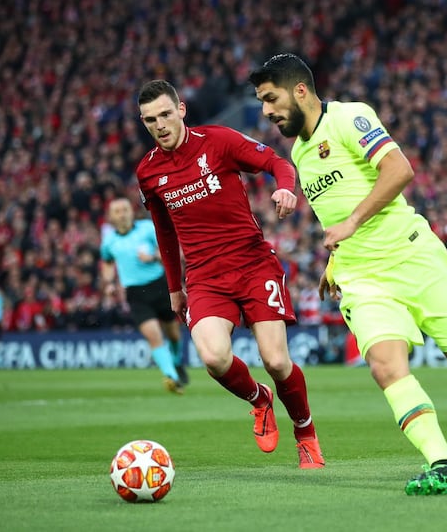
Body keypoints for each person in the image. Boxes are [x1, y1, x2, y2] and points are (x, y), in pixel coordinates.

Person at [249, 53, 447, 494]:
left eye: (271, 99)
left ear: (300, 90)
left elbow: (399, 170)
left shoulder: (350, 117)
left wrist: (352, 223)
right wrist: (335, 261)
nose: (266, 111)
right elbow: (337, 209)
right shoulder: (301, 154)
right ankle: (444, 464)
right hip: (362, 280)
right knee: (385, 366)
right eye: (262, 103)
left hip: (413, 256)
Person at [135, 79, 324, 469]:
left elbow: (277, 162)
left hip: (253, 264)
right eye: (150, 120)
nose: (160, 125)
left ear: (181, 110)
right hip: (204, 277)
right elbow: (164, 231)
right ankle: (260, 400)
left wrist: (286, 189)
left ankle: (305, 433)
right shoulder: (148, 172)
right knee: (214, 357)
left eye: (166, 114)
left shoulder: (218, 141)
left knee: (276, 361)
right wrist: (175, 287)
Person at [100, 197, 188, 394]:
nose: (122, 213)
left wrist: (154, 257)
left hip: (159, 285)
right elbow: (107, 262)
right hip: (135, 293)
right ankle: (172, 377)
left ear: (131, 212)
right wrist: (109, 284)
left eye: (125, 209)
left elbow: (170, 249)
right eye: (117, 211)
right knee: (153, 335)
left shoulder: (147, 228)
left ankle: (176, 362)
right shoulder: (109, 242)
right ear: (111, 217)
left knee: (173, 333)